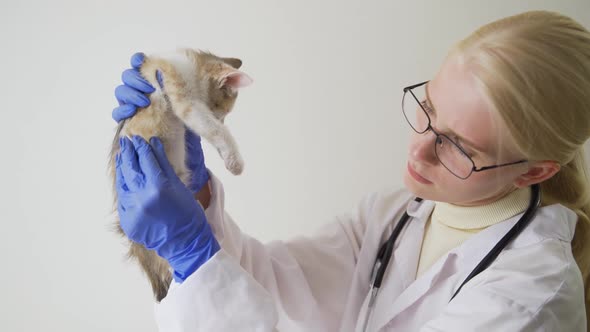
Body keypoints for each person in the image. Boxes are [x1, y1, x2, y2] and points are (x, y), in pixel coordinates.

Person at [112, 10, 590, 331]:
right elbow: (277, 282)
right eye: (427, 109)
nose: (418, 151)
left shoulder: (529, 298)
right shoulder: (398, 213)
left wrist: (196, 257)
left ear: (534, 172)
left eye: (456, 146)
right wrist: (193, 200)